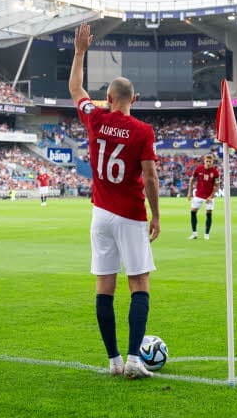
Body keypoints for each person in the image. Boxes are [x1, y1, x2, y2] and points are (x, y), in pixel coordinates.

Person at [69, 23, 160, 380]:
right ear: (133, 100)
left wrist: (80, 52)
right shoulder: (142, 131)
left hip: (100, 215)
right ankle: (137, 360)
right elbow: (150, 177)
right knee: (139, 283)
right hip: (131, 214)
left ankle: (114, 361)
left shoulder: (95, 117)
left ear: (108, 98)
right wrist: (156, 215)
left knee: (104, 286)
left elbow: (76, 87)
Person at [187, 154, 220, 240]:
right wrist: (190, 193)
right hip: (198, 195)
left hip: (209, 197)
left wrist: (211, 196)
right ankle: (194, 233)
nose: (208, 163)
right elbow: (191, 180)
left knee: (209, 213)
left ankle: (206, 234)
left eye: (210, 161)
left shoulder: (215, 172)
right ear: (204, 161)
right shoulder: (199, 169)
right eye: (207, 161)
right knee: (193, 212)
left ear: (212, 162)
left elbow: (217, 186)